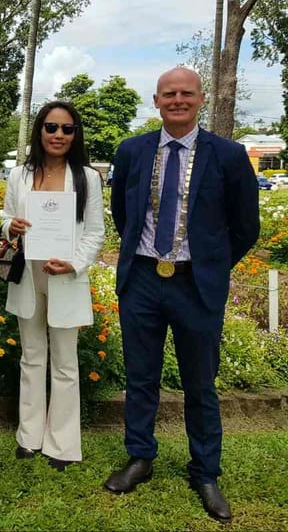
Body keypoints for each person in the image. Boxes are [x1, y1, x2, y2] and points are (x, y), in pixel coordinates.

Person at [106, 67, 259, 522]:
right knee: (141, 376)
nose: (177, 100)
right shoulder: (132, 152)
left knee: (200, 383)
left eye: (186, 94)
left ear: (201, 99)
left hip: (197, 284)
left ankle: (205, 472)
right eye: (168, 94)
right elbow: (122, 212)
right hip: (144, 280)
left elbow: (246, 226)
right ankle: (140, 457)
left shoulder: (229, 156)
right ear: (156, 101)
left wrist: (211, 266)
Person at [1, 101, 104, 470]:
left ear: (75, 134)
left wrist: (74, 264)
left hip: (66, 276)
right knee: (31, 357)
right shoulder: (20, 175)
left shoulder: (88, 178)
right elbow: (6, 217)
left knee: (64, 361)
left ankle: (61, 443)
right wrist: (9, 227)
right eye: (51, 127)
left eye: (67, 129)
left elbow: (95, 233)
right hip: (28, 275)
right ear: (39, 131)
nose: (58, 135)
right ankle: (29, 437)